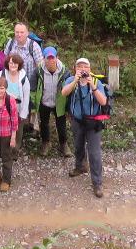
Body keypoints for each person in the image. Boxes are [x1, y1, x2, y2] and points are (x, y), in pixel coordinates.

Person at [61, 56, 108, 197]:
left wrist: (92, 86)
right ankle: (80, 166)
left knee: (94, 152)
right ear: (75, 69)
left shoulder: (96, 81)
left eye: (85, 67)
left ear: (89, 69)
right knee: (78, 146)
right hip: (77, 120)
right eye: (79, 67)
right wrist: (75, 81)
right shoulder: (71, 80)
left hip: (93, 122)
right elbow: (64, 93)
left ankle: (97, 183)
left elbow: (103, 101)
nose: (82, 69)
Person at [37, 46, 69, 158]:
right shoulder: (39, 71)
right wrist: (33, 103)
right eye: (48, 58)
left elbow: (69, 86)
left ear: (57, 58)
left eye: (52, 58)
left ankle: (63, 144)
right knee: (44, 123)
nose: (50, 61)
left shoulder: (64, 71)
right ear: (44, 59)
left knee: (61, 124)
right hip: (44, 101)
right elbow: (33, 86)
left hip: (58, 102)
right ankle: (45, 143)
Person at [3, 23, 44, 90]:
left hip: (29, 84)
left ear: (27, 33)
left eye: (22, 32)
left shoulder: (34, 46)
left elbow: (40, 67)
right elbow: (4, 61)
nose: (19, 35)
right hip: (11, 83)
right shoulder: (10, 43)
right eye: (17, 32)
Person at [4, 51, 32, 146]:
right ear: (7, 64)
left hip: (18, 110)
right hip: (4, 109)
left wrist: (23, 114)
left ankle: (15, 151)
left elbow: (27, 97)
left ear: (19, 65)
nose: (13, 65)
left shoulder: (23, 78)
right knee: (5, 133)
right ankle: (5, 150)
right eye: (11, 63)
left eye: (15, 63)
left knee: (17, 133)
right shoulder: (2, 74)